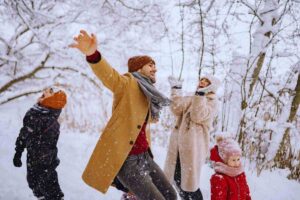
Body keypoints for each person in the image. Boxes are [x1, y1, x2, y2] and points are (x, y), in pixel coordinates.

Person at [69, 30, 177, 200]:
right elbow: (110, 77)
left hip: (145, 157)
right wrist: (93, 55)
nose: (154, 68)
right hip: (128, 160)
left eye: (154, 65)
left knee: (171, 194)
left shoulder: (148, 92)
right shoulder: (128, 83)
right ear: (138, 68)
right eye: (150, 65)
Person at [164, 75, 220, 200]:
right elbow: (176, 109)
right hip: (177, 146)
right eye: (202, 79)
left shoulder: (212, 102)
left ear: (213, 86)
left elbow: (197, 116)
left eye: (207, 81)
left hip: (193, 148)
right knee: (176, 179)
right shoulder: (191, 96)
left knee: (189, 185)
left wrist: (200, 96)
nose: (202, 82)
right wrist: (176, 89)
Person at [13, 87, 67, 200]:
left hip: (45, 162)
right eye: (45, 91)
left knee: (49, 187)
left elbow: (46, 143)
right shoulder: (34, 112)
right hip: (32, 157)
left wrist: (45, 163)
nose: (45, 92)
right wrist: (18, 151)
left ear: (52, 101)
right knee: (33, 183)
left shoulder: (50, 120)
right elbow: (25, 132)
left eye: (50, 93)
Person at [210, 136, 251, 200]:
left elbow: (246, 193)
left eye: (238, 159)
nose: (237, 163)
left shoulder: (240, 174)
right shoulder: (219, 178)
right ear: (225, 160)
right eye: (233, 160)